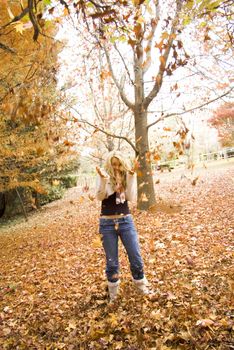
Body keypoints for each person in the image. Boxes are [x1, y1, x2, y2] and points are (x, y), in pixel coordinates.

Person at [96, 151, 149, 301]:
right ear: (109, 164)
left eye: (119, 164)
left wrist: (131, 178)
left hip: (126, 221)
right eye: (114, 164)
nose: (117, 167)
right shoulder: (103, 176)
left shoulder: (127, 176)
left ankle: (140, 284)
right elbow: (100, 196)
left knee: (135, 256)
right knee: (112, 262)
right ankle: (114, 292)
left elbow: (131, 198)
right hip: (107, 224)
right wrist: (103, 181)